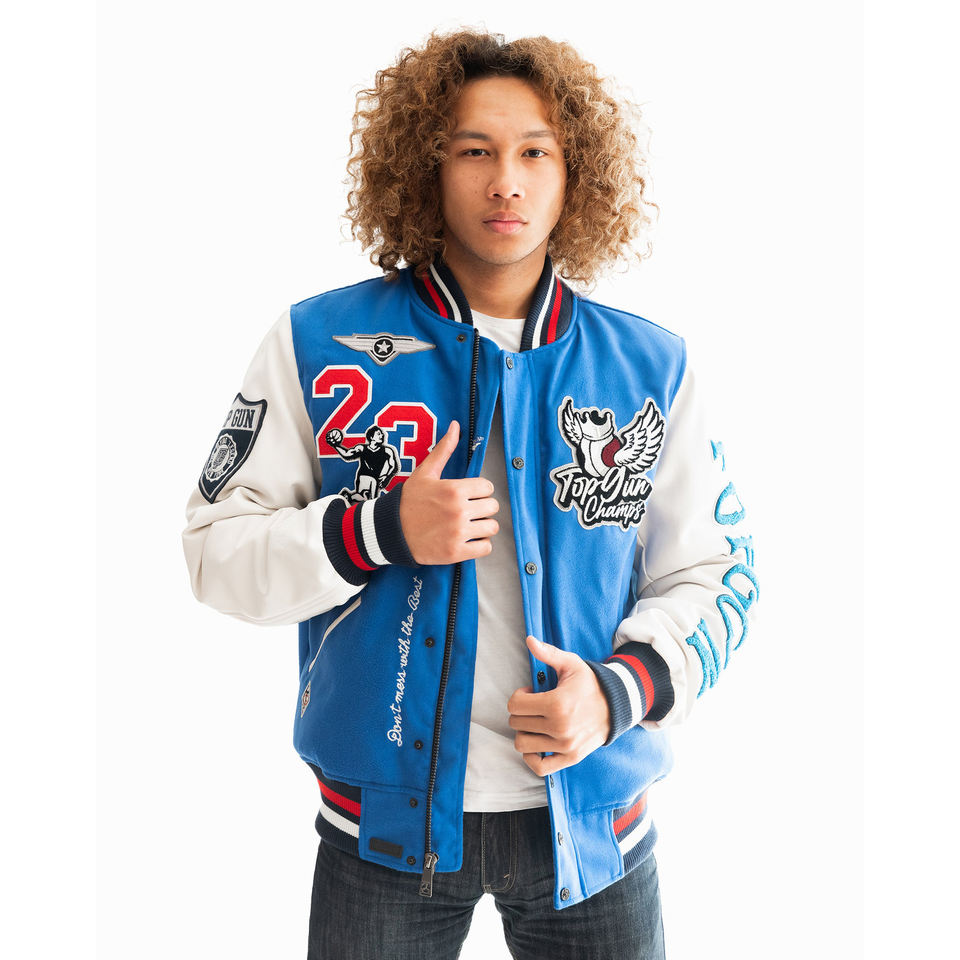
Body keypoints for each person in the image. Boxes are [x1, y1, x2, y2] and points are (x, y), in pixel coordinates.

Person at [182, 27, 758, 960]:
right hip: (381, 836)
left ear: (575, 175)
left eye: (536, 153)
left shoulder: (652, 367)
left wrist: (617, 693)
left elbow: (721, 574)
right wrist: (376, 529)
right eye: (475, 152)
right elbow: (215, 553)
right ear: (426, 167)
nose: (507, 184)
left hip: (594, 829)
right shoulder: (315, 341)